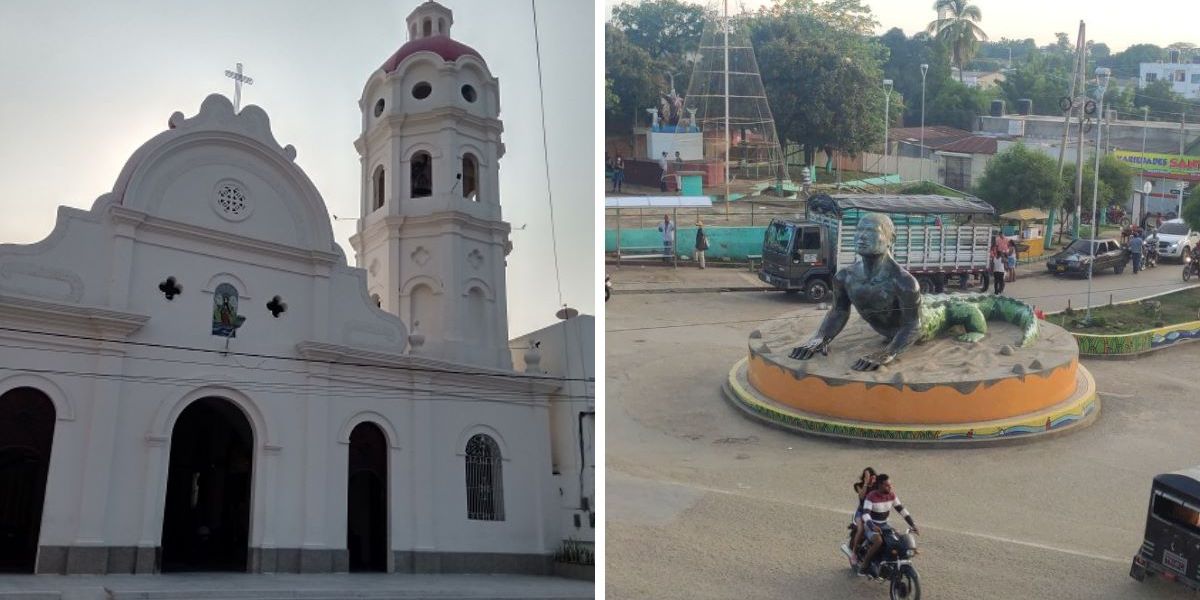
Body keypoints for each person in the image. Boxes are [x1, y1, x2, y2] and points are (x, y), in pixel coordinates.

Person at [858, 474, 919, 577]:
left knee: (898, 538)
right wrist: (872, 526)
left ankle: (892, 562)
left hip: (885, 524)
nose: (890, 487)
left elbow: (902, 510)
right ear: (880, 485)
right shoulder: (871, 496)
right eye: (887, 485)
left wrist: (913, 524)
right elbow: (866, 514)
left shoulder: (891, 495)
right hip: (871, 525)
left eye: (890, 485)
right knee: (878, 541)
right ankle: (864, 566)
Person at [848, 467, 877, 566]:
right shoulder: (858, 485)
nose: (868, 478)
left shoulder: (876, 486)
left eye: (870, 476)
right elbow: (861, 496)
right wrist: (866, 483)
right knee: (861, 529)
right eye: (866, 476)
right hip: (861, 512)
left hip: (873, 513)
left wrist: (873, 484)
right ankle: (854, 554)